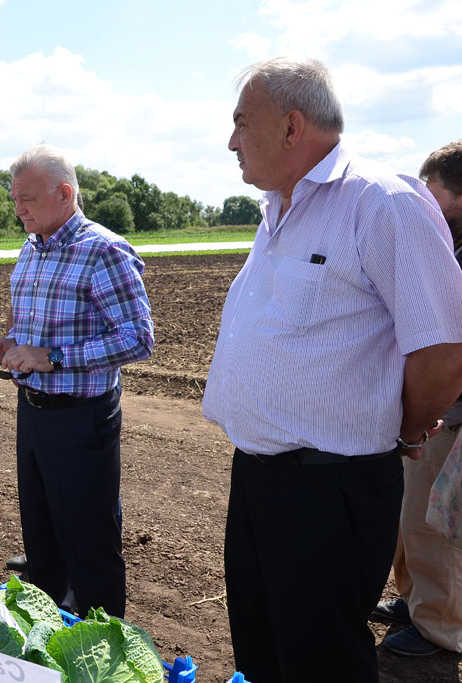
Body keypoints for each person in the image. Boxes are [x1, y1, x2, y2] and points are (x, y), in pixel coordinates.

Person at [203, 58, 462, 682]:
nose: (231, 140)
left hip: (331, 486)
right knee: (263, 649)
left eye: (242, 122)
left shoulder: (382, 203)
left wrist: (393, 431)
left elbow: (444, 352)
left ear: (292, 128)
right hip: (260, 478)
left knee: (321, 659)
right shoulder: (279, 210)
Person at [0, 145, 154, 619]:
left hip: (81, 420)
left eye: (27, 200)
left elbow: (138, 339)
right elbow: (43, 331)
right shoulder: (32, 247)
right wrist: (8, 343)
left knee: (90, 545)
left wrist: (50, 358)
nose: (18, 211)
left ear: (65, 193)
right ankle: (49, 640)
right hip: (33, 415)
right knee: (42, 539)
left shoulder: (104, 250)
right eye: (15, 200)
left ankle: (102, 646)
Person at [376, 139, 462, 656]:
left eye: (438, 196)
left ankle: (442, 628)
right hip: (433, 414)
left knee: (435, 526)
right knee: (410, 520)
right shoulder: (448, 248)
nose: (429, 207)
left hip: (451, 418)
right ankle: (415, 600)